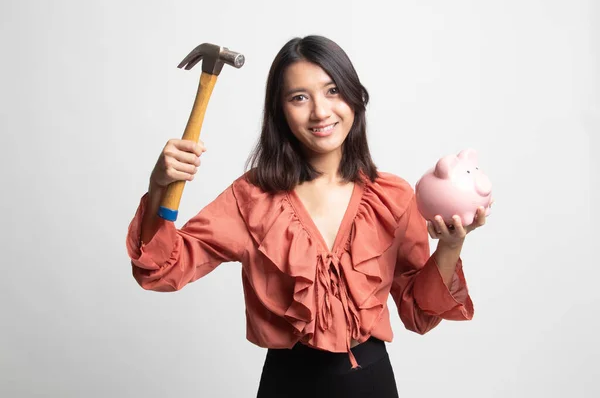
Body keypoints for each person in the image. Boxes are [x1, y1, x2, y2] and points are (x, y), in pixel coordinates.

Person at [126, 35, 486, 398]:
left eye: (332, 91)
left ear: (354, 98)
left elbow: (418, 314)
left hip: (371, 385)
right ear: (280, 111)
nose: (320, 112)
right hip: (288, 386)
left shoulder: (391, 197)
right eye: (299, 97)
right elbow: (161, 269)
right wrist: (159, 186)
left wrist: (451, 246)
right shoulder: (252, 198)